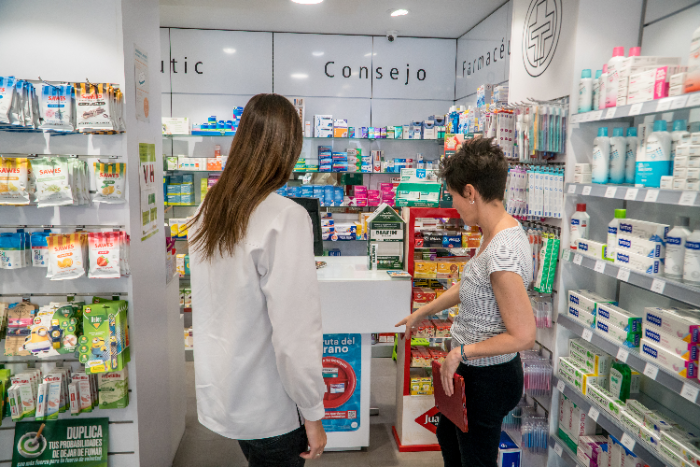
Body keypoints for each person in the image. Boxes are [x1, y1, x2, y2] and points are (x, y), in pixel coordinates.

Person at [188, 93, 327, 466]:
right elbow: (295, 333)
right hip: (271, 405)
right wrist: (313, 411)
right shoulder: (286, 217)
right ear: (288, 147)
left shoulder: (208, 208)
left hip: (225, 392)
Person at [396, 137, 535, 467]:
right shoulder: (494, 231)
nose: (454, 204)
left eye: (454, 195)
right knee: (448, 437)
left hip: (488, 379)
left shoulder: (502, 252)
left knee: (475, 459)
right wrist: (425, 311)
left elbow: (524, 335)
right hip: (470, 374)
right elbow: (471, 284)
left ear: (471, 192)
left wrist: (462, 352)